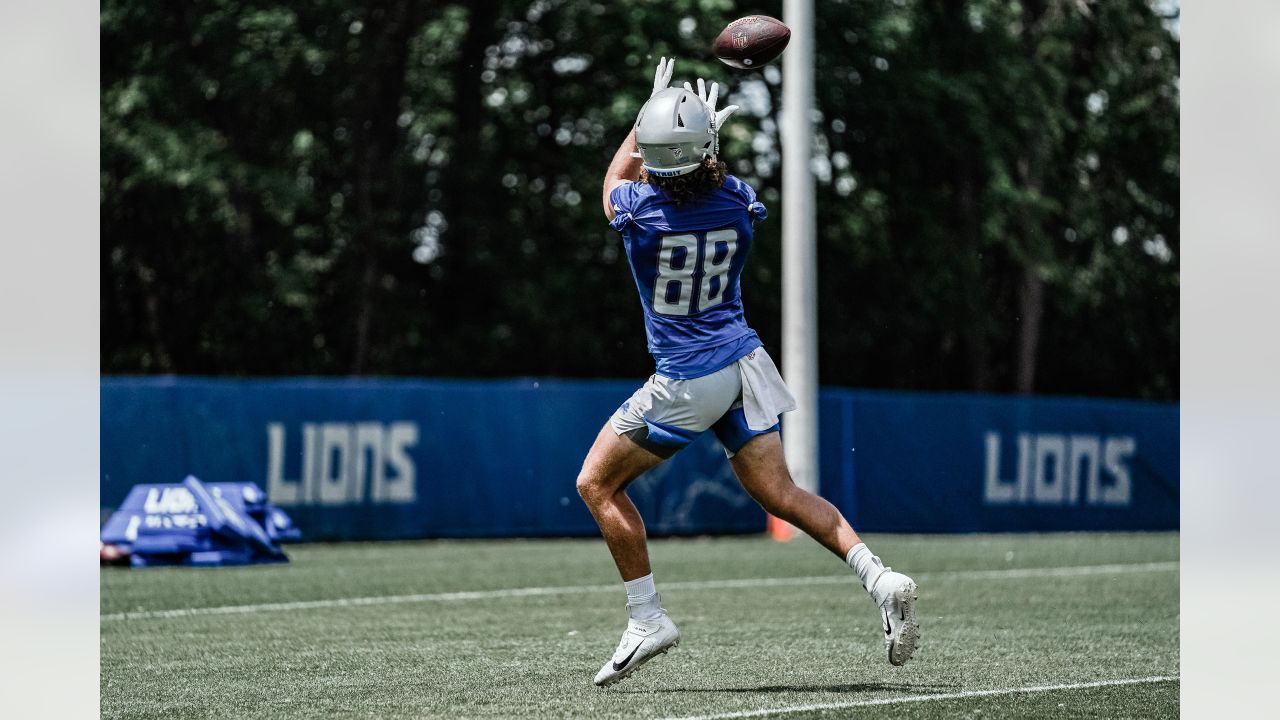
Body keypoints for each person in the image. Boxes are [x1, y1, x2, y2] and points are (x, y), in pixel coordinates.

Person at [577, 58, 920, 688]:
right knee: (781, 494)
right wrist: (704, 134)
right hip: (745, 363)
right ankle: (879, 575)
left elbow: (613, 183)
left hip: (687, 378)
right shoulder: (737, 202)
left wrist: (640, 125)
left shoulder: (641, 216)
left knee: (596, 485)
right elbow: (708, 177)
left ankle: (646, 616)